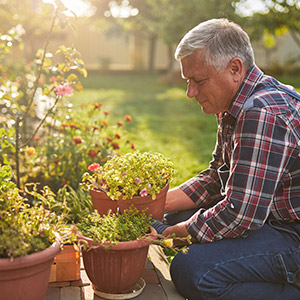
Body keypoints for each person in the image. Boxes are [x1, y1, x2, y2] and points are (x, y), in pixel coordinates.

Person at [159, 18, 300, 300]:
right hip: (269, 217)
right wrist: (150, 204)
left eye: (199, 81)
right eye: (188, 81)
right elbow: (215, 178)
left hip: (292, 233)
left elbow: (241, 213)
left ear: (235, 68)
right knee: (175, 215)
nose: (191, 93)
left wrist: (169, 235)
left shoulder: (262, 112)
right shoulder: (235, 103)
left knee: (192, 269)